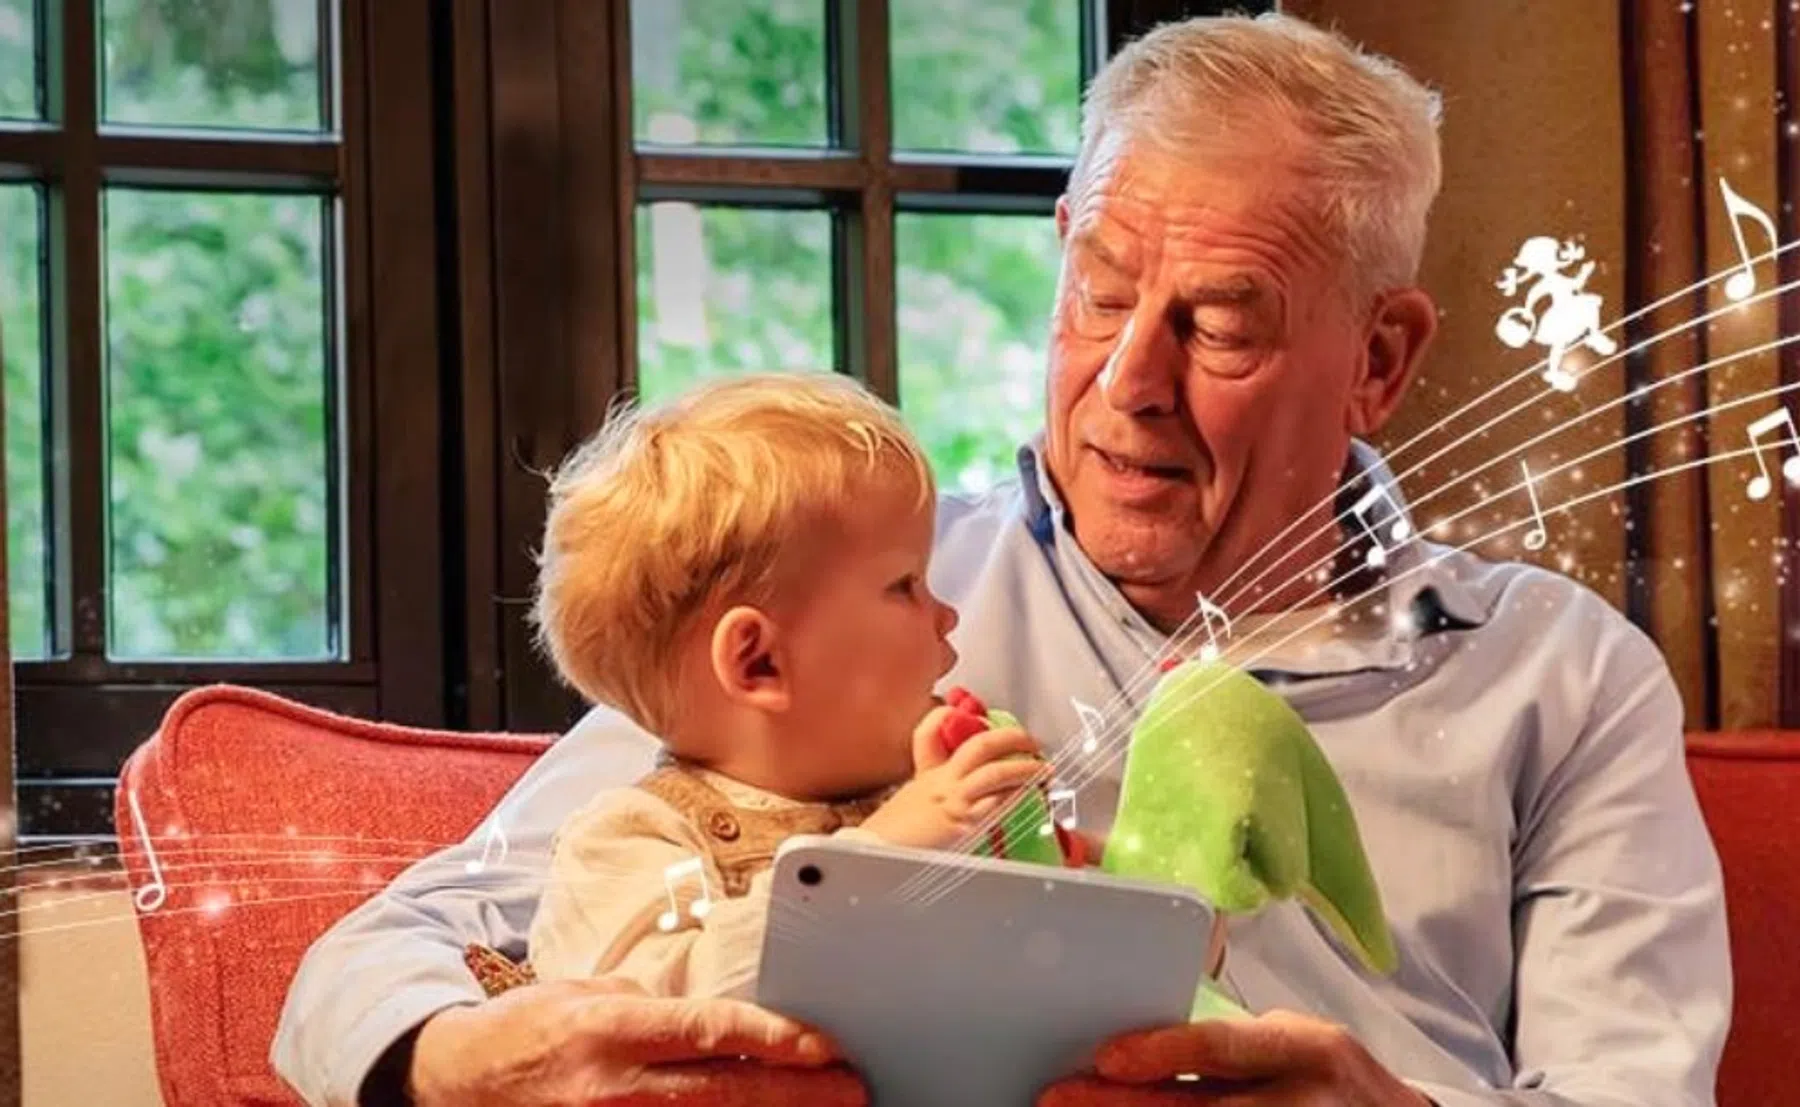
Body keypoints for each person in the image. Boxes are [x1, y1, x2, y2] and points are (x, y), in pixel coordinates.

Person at [273, 12, 1730, 1107]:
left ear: (1380, 358)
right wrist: (466, 1057)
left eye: (1218, 324)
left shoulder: (1566, 674)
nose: (1126, 383)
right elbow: (385, 955)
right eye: (1099, 294)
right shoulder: (850, 602)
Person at [525, 373, 1056, 995]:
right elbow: (657, 1012)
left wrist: (1048, 853)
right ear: (760, 664)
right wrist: (883, 851)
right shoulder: (629, 842)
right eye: (904, 586)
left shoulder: (924, 801)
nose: (948, 616)